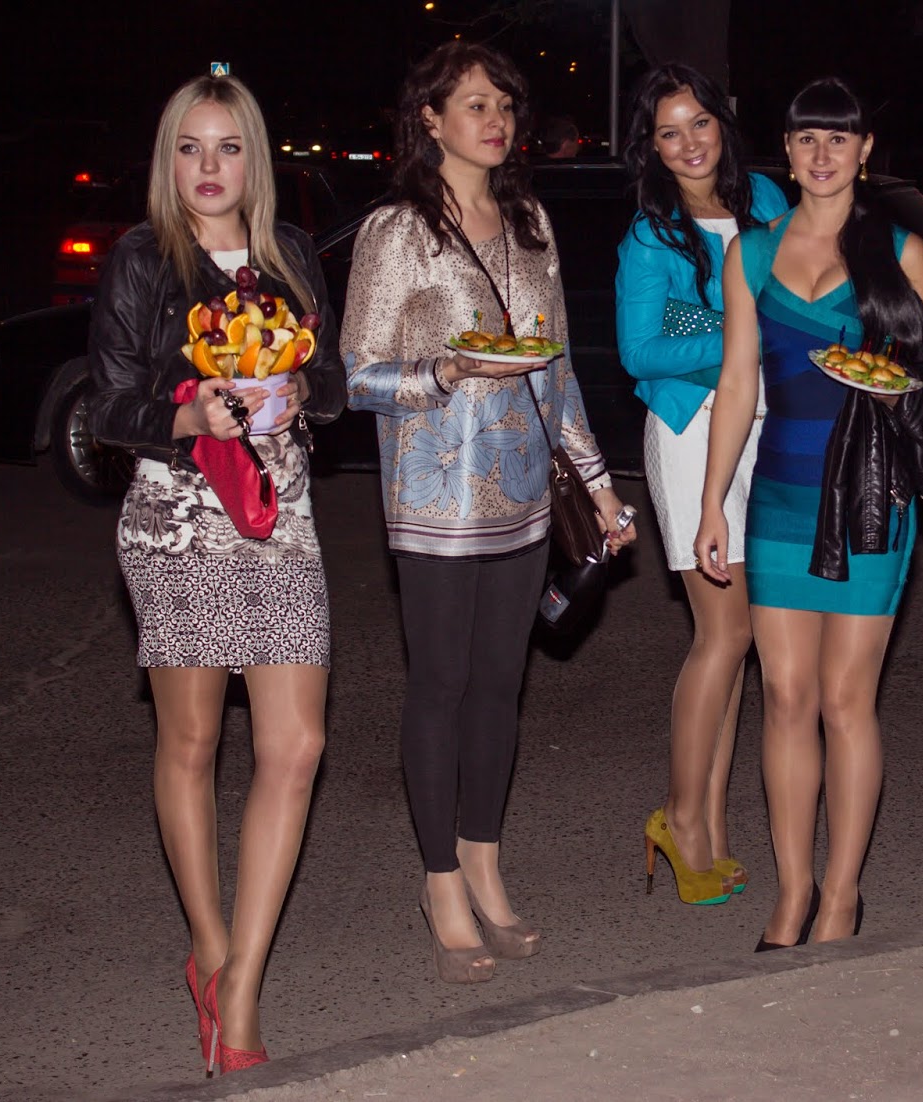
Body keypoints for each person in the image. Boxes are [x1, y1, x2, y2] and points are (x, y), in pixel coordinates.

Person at [341, 42, 637, 982]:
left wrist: (598, 483)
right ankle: (439, 881)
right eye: (474, 104)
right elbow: (356, 374)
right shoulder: (396, 231)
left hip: (523, 489)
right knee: (441, 683)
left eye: (504, 104)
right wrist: (445, 370)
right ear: (429, 119)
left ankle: (484, 864)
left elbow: (557, 368)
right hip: (434, 491)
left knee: (501, 686)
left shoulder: (530, 219)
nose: (495, 119)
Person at [86, 74, 345, 1074]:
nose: (208, 166)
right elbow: (109, 404)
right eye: (189, 148)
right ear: (169, 160)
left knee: (296, 744)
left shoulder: (292, 255)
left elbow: (333, 378)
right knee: (191, 742)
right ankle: (210, 947)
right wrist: (188, 412)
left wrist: (301, 389)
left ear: (253, 160)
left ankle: (241, 989)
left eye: (227, 147)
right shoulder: (143, 258)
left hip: (281, 517)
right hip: (180, 516)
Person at [694, 78, 923, 948]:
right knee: (784, 697)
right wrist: (712, 503)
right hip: (778, 493)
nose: (822, 154)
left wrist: (900, 374)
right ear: (787, 148)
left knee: (846, 700)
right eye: (807, 138)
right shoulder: (752, 253)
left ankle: (842, 894)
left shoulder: (902, 251)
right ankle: (792, 891)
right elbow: (738, 382)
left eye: (839, 138)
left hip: (870, 494)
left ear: (864, 150)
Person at [616, 64, 789, 906]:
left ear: (724, 123)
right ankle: (681, 820)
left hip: (769, 430)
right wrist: (739, 331)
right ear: (651, 148)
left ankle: (711, 829)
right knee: (723, 634)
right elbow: (641, 352)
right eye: (668, 132)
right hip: (691, 433)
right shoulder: (652, 235)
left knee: (741, 640)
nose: (688, 144)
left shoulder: (767, 200)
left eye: (700, 123)